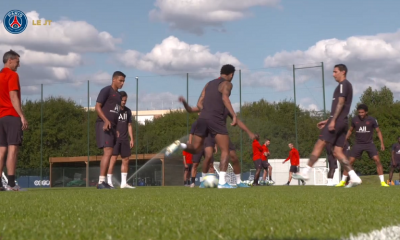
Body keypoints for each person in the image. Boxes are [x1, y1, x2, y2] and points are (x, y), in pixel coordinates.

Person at [177, 64, 255, 188]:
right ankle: (222, 183)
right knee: (225, 151)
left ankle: (181, 145)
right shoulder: (227, 84)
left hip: (202, 120)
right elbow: (225, 97)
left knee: (196, 148)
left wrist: (185, 103)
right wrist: (234, 115)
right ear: (231, 75)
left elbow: (196, 106)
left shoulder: (208, 84)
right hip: (215, 121)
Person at [293, 64, 362, 188]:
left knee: (319, 144)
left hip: (337, 122)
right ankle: (354, 176)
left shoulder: (343, 85)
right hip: (343, 122)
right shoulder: (346, 86)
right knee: (338, 152)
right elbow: (342, 108)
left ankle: (306, 171)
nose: (333, 74)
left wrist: (333, 121)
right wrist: (328, 120)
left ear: (343, 72)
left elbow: (340, 103)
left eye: (335, 72)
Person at [179, 96, 252, 188]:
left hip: (222, 134)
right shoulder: (208, 107)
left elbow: (237, 120)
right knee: (208, 156)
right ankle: (204, 181)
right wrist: (185, 103)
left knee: (233, 156)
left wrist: (249, 132)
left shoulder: (226, 108)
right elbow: (190, 109)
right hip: (209, 135)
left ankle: (238, 181)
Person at [336, 104, 389, 187]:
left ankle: (382, 182)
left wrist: (382, 143)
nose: (360, 114)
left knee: (377, 160)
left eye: (362, 112)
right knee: (349, 162)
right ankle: (342, 181)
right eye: (359, 112)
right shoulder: (354, 120)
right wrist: (344, 141)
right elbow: (350, 131)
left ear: (366, 112)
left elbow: (378, 131)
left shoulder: (372, 120)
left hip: (369, 144)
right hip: (358, 144)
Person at [0, 50, 28, 191]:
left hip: (0, 117)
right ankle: (11, 184)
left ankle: (0, 184)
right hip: (11, 115)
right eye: (17, 62)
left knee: (1, 149)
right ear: (9, 60)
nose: (19, 65)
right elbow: (13, 96)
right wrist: (22, 115)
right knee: (13, 148)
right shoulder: (12, 75)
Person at [95, 71, 126, 189]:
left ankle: (104, 182)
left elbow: (116, 113)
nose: (122, 83)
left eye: (123, 81)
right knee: (107, 151)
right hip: (103, 124)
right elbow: (97, 107)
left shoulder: (118, 96)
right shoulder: (106, 90)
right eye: (120, 80)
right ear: (114, 80)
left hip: (112, 127)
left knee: (111, 153)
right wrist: (106, 121)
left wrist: (117, 128)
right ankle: (101, 182)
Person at [107, 91, 135, 189]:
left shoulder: (128, 111)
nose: (123, 102)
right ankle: (109, 182)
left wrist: (132, 138)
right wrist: (114, 132)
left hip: (125, 139)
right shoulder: (114, 110)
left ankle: (124, 183)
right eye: (122, 100)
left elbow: (129, 125)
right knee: (113, 159)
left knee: (126, 160)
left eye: (125, 100)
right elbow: (109, 123)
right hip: (115, 139)